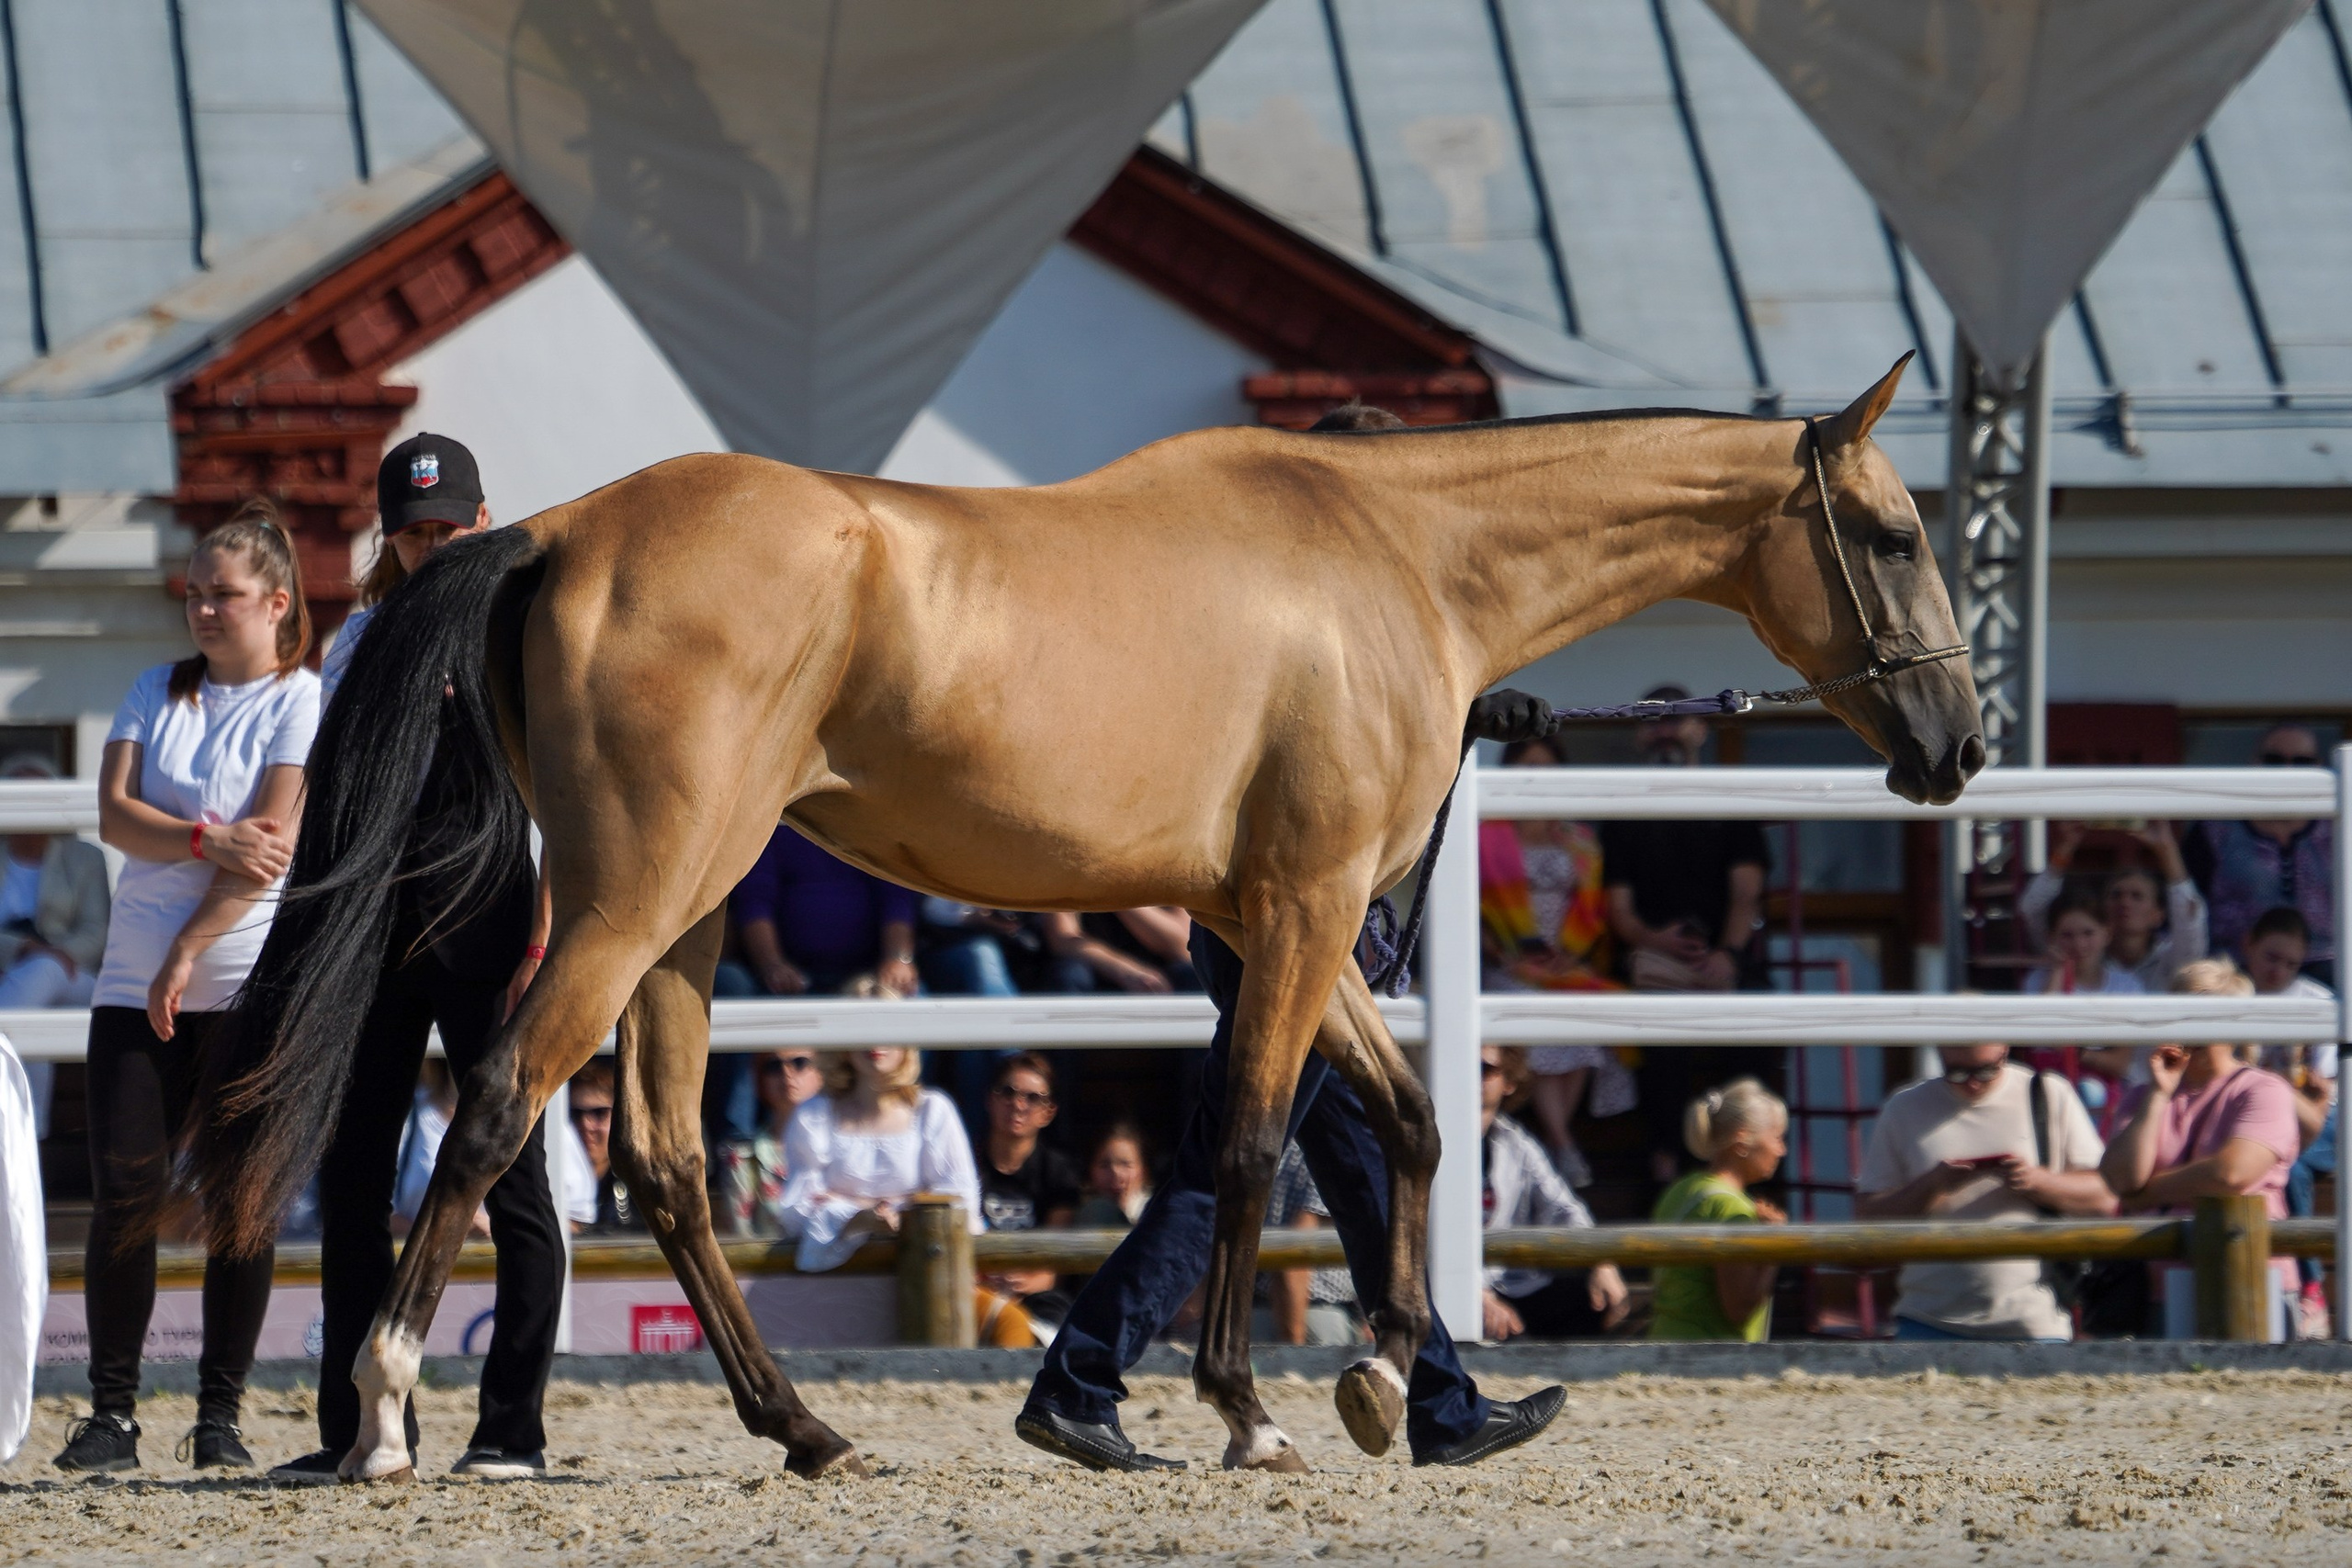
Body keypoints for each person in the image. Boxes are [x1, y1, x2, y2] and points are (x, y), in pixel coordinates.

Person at [1019, 694, 1570, 1474]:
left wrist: (1455, 722)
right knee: (1223, 1171)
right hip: (1296, 929)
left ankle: (1443, 1403)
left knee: (1359, 1175)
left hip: (1272, 923)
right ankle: (1078, 1382)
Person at [270, 434, 568, 1485]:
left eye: (451, 530)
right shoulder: (358, 641)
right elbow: (332, 807)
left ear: (484, 525)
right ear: (387, 538)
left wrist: (544, 942)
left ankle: (512, 1430)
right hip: (376, 937)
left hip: (491, 928)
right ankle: (355, 1428)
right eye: (414, 533)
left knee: (513, 1177)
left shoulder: (526, 630)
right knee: (351, 1179)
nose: (434, 548)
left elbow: (562, 805)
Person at [57, 502, 317, 1474]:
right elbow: (118, 819)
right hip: (132, 984)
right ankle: (112, 1414)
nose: (204, 610)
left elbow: (273, 853)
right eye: (194, 593)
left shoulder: (299, 699)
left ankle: (219, 1415)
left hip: (244, 982)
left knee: (239, 1205)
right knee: (124, 1194)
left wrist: (185, 949)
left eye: (226, 594)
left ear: (276, 602)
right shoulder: (152, 689)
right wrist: (208, 836)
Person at [1600, 689, 1771, 1182]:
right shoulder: (1621, 810)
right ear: (1637, 734)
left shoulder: (1729, 801)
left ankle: (1751, 1164)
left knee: (1760, 1026)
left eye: (1679, 718)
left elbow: (1747, 894)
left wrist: (1728, 955)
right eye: (1654, 720)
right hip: (1652, 962)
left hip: (1728, 959)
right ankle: (1666, 1169)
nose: (1666, 729)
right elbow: (1619, 909)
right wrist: (1657, 941)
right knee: (1658, 1046)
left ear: (1702, 730)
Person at [1856, 1044, 2115, 1341]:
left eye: (1987, 1070)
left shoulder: (2048, 1093)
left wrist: (2038, 1182)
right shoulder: (1904, 1107)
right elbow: (1868, 1218)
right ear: (1941, 1052)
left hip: (2034, 1321)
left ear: (2005, 1050)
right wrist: (1933, 1185)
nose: (1973, 1082)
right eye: (1956, 1072)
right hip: (1927, 1319)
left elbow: (2104, 1197)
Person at [2100, 959, 2301, 1339]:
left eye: (2197, 1011)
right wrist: (2159, 1095)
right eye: (2178, 1008)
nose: (2185, 1021)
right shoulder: (2143, 1095)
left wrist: (2148, 1193)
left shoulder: (2263, 1089)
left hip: (2250, 1280)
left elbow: (2232, 1173)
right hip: (2158, 1285)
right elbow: (2120, 1178)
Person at [1479, 736, 1634, 1188]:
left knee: (1587, 1018)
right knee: (1536, 1016)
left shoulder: (1579, 839)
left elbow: (1592, 908)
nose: (1537, 776)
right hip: (1508, 960)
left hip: (1563, 959)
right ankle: (1563, 1145)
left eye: (1547, 767)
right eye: (1528, 766)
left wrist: (1570, 953)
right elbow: (1469, 905)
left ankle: (1555, 1142)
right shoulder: (1486, 834)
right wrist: (1501, 950)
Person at [778, 1012, 983, 1273]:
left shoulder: (933, 1110)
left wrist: (860, 1206)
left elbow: (960, 1203)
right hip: (836, 1281)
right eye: (863, 1028)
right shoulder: (814, 1114)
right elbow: (797, 1211)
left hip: (928, 1276)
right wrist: (873, 1215)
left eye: (886, 1028)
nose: (875, 1042)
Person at [1477, 1048, 1628, 1340]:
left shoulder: (1514, 1142)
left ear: (1509, 1081)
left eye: (1485, 1069)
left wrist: (1602, 1261)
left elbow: (1562, 1207)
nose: (1473, 1076)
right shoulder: (1429, 1141)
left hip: (1514, 1283)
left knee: (1594, 1300)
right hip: (1448, 1285)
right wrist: (1475, 1294)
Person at [0, 752, 109, 1135]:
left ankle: (18, 1132)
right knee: (31, 1007)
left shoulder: (85, 858)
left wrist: (53, 954)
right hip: (10, 975)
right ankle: (30, 1136)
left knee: (42, 973)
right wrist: (19, 948)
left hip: (72, 975)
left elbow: (97, 933)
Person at [2241, 908, 2337, 1337]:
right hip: (2264, 1113)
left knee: (2290, 1166)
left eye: (2291, 964)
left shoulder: (2316, 1003)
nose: (2279, 970)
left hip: (2316, 1119)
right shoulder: (2236, 997)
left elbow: (2325, 1088)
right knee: (2283, 1163)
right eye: (2271, 958)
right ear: (2250, 947)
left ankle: (2311, 1281)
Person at [2186, 722, 2335, 985]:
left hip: (2328, 968)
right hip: (2235, 972)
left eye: (2301, 762)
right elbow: (2186, 906)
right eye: (2274, 760)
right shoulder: (2216, 829)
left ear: (2318, 767)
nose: (2287, 771)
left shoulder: (2340, 828)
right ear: (2256, 764)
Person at [1648, 1079, 1788, 1342]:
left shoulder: (1680, 1189)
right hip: (1710, 1362)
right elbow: (1739, 1309)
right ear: (1742, 1142)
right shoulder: (1733, 1209)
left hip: (1662, 1345)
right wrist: (1775, 1248)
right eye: (1777, 1137)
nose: (1782, 1150)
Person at [730, 827, 920, 999]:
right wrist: (772, 964)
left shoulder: (873, 830)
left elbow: (896, 899)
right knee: (731, 983)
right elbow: (754, 903)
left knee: (904, 999)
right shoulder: (773, 830)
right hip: (789, 981)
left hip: (867, 973)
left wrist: (897, 959)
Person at [2018, 821, 2207, 992]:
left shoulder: (2172, 961)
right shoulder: (2076, 947)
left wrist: (2167, 850)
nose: (2125, 902)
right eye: (2116, 895)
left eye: (2137, 896)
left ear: (2158, 915)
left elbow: (2190, 920)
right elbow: (2033, 909)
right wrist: (2065, 847)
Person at [973, 1052, 1081, 1337]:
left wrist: (1031, 1280)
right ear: (989, 1099)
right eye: (1008, 1092)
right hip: (973, 1289)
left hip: (1037, 1295)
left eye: (1033, 1098)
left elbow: (1056, 1258)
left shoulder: (1059, 1172)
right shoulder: (964, 1163)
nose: (1018, 1105)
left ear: (1049, 1112)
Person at [1257, 1143, 1363, 1348]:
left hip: (1257, 1315)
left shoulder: (1277, 1150)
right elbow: (1297, 1256)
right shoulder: (1327, 1156)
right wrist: (1294, 1345)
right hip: (1310, 1318)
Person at [720, 1050, 825, 1235]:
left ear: (821, 1073)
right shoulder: (743, 1156)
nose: (787, 1072)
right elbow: (740, 1241)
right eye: (773, 1066)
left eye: (799, 1063)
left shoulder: (844, 1143)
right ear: (760, 1080)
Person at [1043, 908, 1200, 993]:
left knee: (1194, 975)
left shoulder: (1170, 856)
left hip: (1163, 972)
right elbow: (1063, 939)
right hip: (1099, 968)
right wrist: (1126, 971)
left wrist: (1118, 887)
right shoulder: (1071, 862)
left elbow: (1183, 948)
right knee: (1070, 975)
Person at [2025, 896, 2144, 997]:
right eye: (2067, 935)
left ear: (2107, 935)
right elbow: (2042, 1020)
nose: (2079, 944)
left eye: (2088, 933)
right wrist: (2057, 974)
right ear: (2051, 938)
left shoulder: (2126, 985)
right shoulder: (2038, 981)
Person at [1071, 1123, 1153, 1228]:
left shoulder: (1158, 1213)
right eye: (1104, 1165)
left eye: (1126, 1164)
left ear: (1144, 1171)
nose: (1116, 1174)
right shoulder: (1087, 1213)